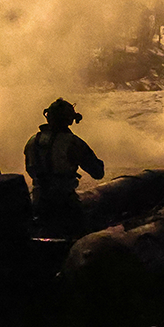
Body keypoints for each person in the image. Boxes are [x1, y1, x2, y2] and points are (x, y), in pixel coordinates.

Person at [24, 98, 104, 237]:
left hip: (38, 201)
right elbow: (97, 173)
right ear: (69, 120)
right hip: (65, 204)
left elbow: (30, 170)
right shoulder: (73, 143)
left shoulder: (32, 141)